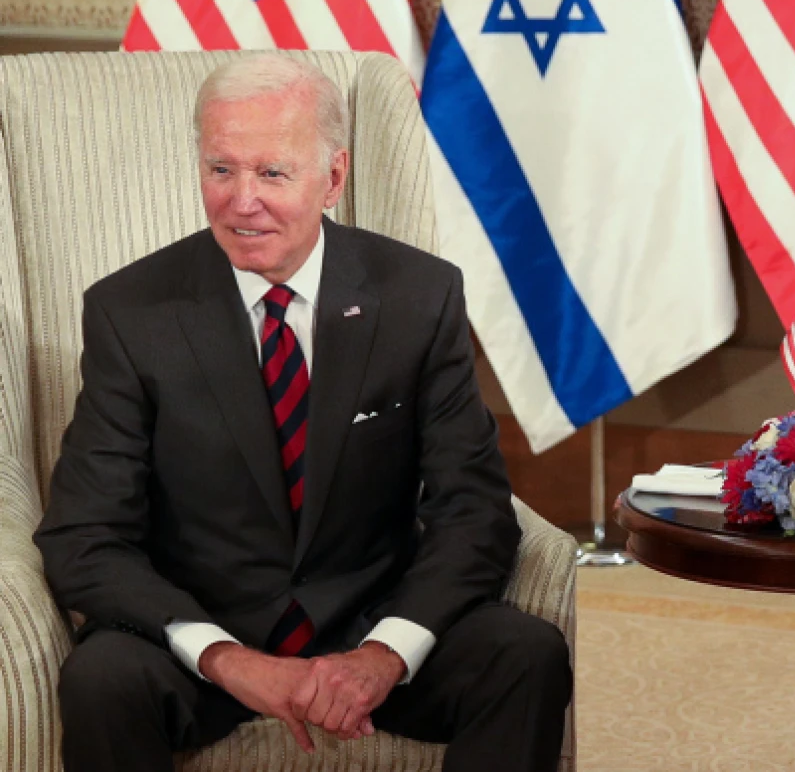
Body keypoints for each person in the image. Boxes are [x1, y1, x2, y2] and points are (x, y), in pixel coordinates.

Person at [34, 54, 571, 772]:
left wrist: (384, 654)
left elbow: (473, 510)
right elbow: (85, 535)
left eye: (272, 173)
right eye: (221, 169)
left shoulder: (419, 297)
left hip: (369, 621)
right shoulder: (131, 312)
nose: (241, 201)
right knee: (100, 680)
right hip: (204, 634)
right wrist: (225, 657)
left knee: (526, 655)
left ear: (334, 178)